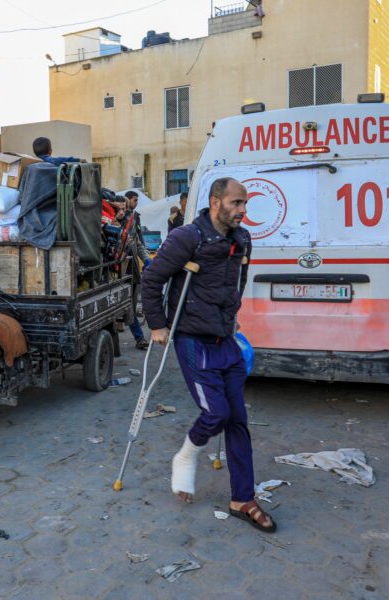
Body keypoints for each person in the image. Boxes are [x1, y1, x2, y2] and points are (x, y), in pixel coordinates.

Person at [141, 177, 275, 533]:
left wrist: (232, 314)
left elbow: (238, 280)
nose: (243, 210)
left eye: (244, 204)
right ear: (216, 202)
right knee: (215, 413)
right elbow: (152, 279)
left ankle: (242, 498)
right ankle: (185, 457)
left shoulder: (242, 239)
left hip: (225, 339)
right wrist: (157, 324)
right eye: (236, 203)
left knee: (237, 420)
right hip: (193, 340)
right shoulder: (188, 237)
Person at [122, 191, 150, 350]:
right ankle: (139, 337)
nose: (123, 211)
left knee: (131, 305)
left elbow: (138, 243)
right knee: (128, 308)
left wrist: (146, 259)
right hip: (118, 273)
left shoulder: (133, 219)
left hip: (132, 271)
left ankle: (139, 337)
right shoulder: (111, 222)